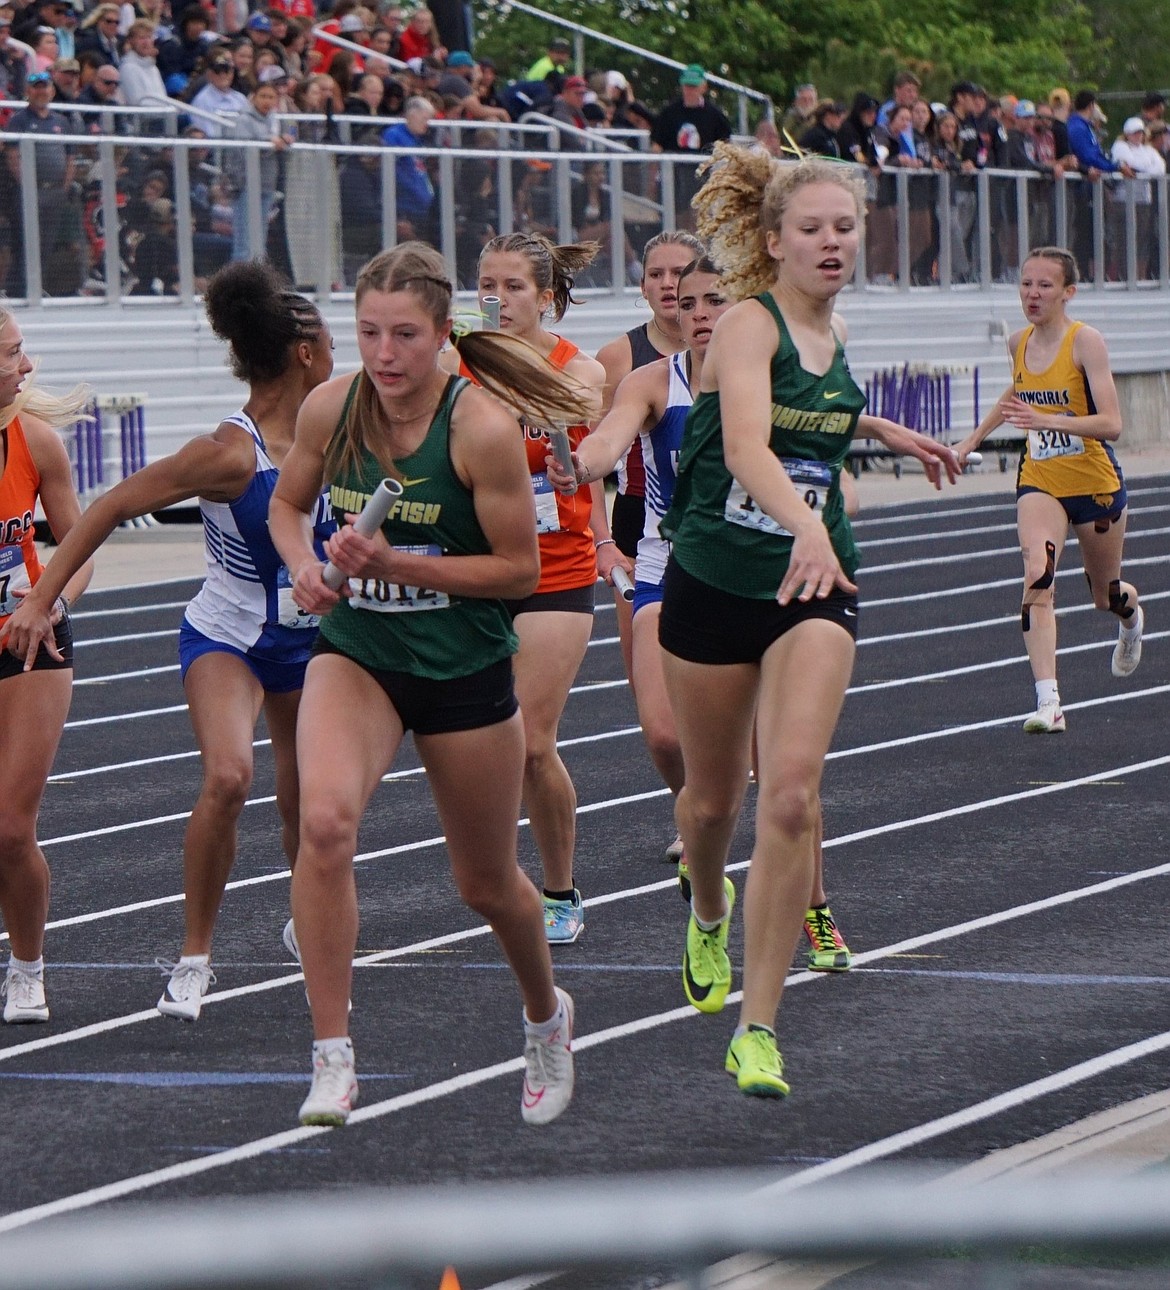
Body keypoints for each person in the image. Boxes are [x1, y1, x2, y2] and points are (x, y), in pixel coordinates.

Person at [656, 145, 959, 1097]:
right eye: (812, 229)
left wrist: (882, 432)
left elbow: (814, 418)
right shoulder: (747, 324)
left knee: (790, 794)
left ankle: (758, 1026)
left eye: (845, 228)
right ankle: (708, 908)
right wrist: (803, 524)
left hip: (812, 592)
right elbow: (747, 441)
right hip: (714, 580)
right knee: (711, 803)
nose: (832, 243)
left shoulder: (835, 340)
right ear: (775, 242)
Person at [268, 241, 591, 1127]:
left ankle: (545, 1015)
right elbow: (286, 506)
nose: (384, 353)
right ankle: (332, 1054)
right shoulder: (331, 409)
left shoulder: (478, 427)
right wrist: (302, 565)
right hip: (358, 651)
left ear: (444, 336)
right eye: (369, 332)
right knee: (325, 827)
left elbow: (520, 572)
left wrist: (401, 562)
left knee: (485, 883)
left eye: (404, 334)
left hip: (461, 663)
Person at [1, 262, 335, 1019]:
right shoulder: (228, 453)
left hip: (308, 642)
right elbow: (114, 503)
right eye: (338, 344)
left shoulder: (344, 437)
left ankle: (309, 924)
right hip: (226, 636)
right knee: (228, 778)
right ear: (306, 354)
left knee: (307, 803)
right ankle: (194, 957)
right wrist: (45, 598)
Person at [444, 232, 605, 945]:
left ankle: (560, 889)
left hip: (554, 569)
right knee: (458, 739)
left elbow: (578, 410)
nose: (495, 299)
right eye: (485, 285)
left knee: (533, 741)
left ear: (544, 299)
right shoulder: (453, 363)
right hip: (474, 567)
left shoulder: (582, 369)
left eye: (512, 287)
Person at [956, 246, 1142, 734]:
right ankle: (1049, 702)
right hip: (1040, 479)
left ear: (1067, 293)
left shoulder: (1086, 343)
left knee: (1106, 596)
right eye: (1025, 284)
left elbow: (1113, 424)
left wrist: (1048, 419)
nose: (1032, 294)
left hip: (1095, 485)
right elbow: (1016, 394)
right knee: (1038, 575)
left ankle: (1131, 619)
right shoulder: (1017, 341)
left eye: (1044, 286)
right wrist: (973, 438)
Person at [592, 228, 703, 847]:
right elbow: (600, 450)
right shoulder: (620, 358)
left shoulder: (737, 354)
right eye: (657, 274)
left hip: (714, 528)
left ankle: (707, 803)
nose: (668, 284)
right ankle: (687, 805)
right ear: (643, 288)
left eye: (679, 273)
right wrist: (602, 536)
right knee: (650, 689)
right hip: (641, 521)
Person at [0, 311, 91, 1025]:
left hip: (28, 643)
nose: (26, 369)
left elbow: (79, 545)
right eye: (12, 354)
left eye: (22, 351)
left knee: (8, 826)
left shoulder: (35, 441)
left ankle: (26, 966)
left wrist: (49, 600)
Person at [650, 64, 731, 230]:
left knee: (697, 217)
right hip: (673, 175)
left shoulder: (714, 115)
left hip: (703, 175)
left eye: (694, 86)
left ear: (703, 87)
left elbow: (726, 148)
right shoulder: (669, 113)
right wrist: (651, 182)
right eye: (687, 85)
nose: (690, 90)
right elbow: (656, 146)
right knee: (676, 218)